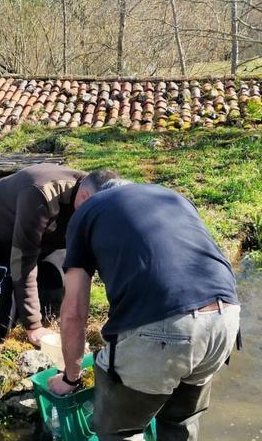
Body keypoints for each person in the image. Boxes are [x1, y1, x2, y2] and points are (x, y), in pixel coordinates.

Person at [48, 177, 241, 441]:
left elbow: (73, 313)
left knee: (120, 430)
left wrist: (71, 378)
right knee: (181, 420)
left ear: (85, 196)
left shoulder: (87, 212)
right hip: (226, 319)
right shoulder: (172, 196)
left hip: (166, 327)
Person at [0, 165, 120, 346]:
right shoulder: (41, 195)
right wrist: (33, 325)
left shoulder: (99, 194)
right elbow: (23, 260)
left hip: (48, 236)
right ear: (84, 197)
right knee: (6, 306)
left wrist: (120, 317)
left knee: (55, 287)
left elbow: (102, 257)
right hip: (0, 225)